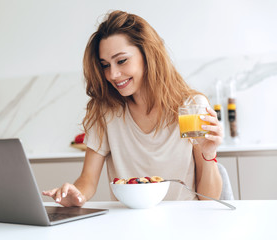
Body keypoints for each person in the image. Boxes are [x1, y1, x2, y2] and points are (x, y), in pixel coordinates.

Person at [42, 10, 223, 207]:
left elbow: (209, 198)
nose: (113, 74)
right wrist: (76, 194)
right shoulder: (106, 112)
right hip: (129, 225)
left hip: (184, 223)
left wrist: (209, 154)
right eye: (105, 65)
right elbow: (87, 181)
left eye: (121, 61)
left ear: (148, 54)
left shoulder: (191, 107)